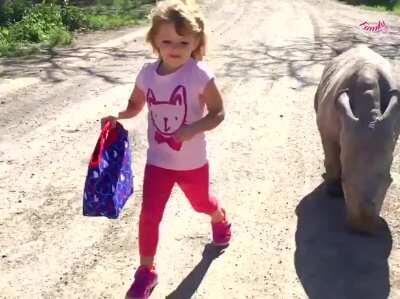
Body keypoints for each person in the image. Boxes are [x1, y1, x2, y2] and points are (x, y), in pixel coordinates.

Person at [102, 0, 231, 297]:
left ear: (196, 41)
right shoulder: (147, 73)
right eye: (167, 41)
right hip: (158, 161)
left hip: (192, 163)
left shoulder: (200, 74)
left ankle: (219, 217)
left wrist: (192, 129)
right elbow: (135, 105)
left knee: (201, 204)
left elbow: (218, 113)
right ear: (154, 41)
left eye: (184, 41)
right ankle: (146, 272)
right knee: (149, 214)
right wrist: (118, 115)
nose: (175, 47)